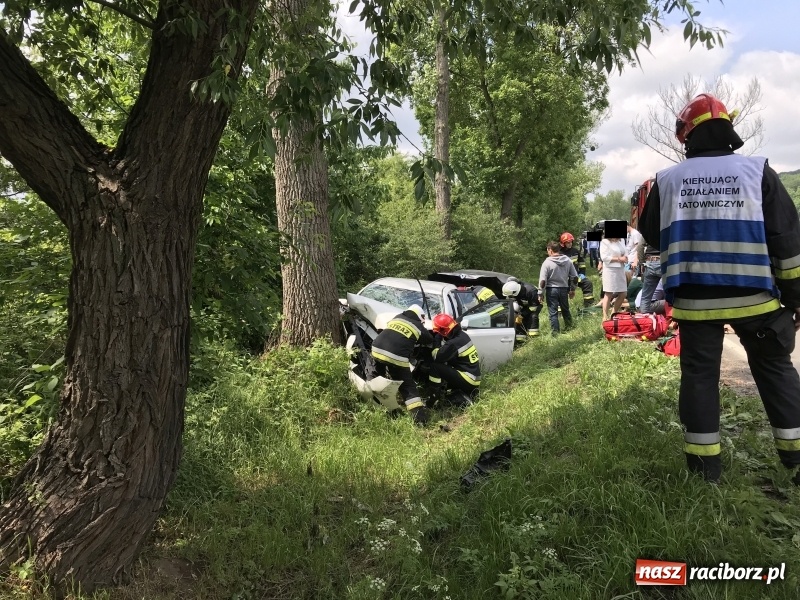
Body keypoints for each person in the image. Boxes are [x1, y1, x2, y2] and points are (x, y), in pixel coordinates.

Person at [639, 92, 800, 483]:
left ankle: (704, 472)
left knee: (699, 378)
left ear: (686, 136)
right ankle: (796, 461)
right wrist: (794, 299)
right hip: (756, 298)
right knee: (775, 370)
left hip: (695, 303)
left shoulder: (666, 180)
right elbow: (787, 241)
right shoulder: (757, 171)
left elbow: (649, 232)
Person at [371, 304, 434, 425]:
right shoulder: (417, 325)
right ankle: (420, 419)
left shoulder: (397, 317)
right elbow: (429, 339)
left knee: (380, 376)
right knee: (408, 387)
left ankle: (378, 403)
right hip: (395, 356)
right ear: (420, 317)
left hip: (376, 349)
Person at [426, 313, 481, 407]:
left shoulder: (453, 343)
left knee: (435, 367)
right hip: (474, 378)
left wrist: (437, 338)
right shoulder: (463, 335)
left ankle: (434, 399)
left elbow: (437, 357)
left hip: (468, 380)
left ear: (444, 332)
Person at [559, 232, 595, 306]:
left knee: (587, 283)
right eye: (568, 242)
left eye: (571, 242)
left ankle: (588, 304)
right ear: (563, 243)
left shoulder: (575, 251)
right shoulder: (559, 254)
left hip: (576, 277)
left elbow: (581, 263)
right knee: (561, 292)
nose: (570, 244)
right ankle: (560, 310)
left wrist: (582, 273)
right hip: (564, 279)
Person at [599, 231, 628, 320]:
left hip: (620, 269)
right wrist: (619, 259)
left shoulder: (622, 240)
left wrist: (626, 257)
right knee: (609, 293)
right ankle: (605, 316)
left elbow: (625, 252)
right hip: (610, 269)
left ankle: (613, 313)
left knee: (623, 293)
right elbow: (604, 257)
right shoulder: (605, 242)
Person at [640, 241, 663, 314]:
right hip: (665, 260)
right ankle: (672, 321)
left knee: (645, 298)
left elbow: (640, 245)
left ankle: (643, 321)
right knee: (672, 294)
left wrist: (641, 262)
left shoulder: (649, 229)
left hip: (649, 262)